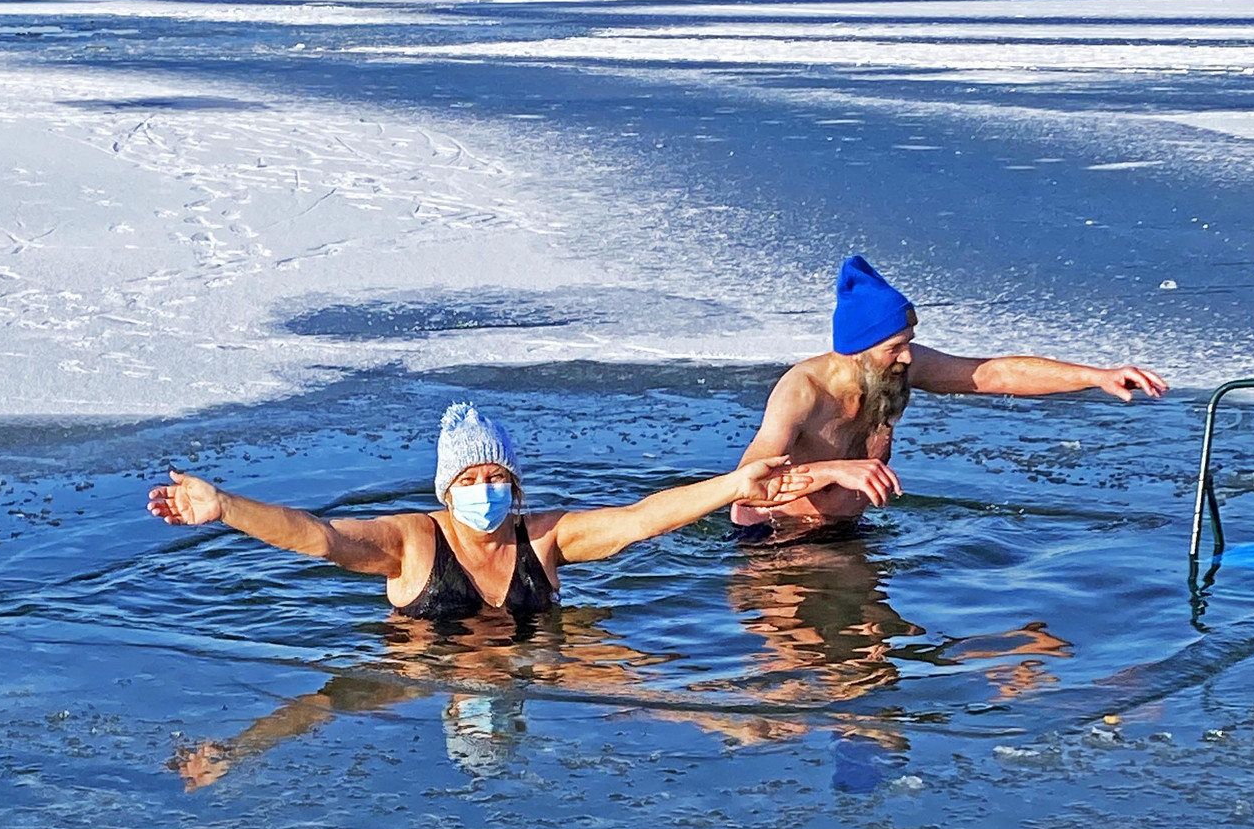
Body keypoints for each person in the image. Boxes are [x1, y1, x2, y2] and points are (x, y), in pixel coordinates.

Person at [148, 401, 813, 619]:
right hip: (424, 668)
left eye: (498, 475)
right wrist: (225, 507)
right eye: (472, 476)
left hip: (533, 664)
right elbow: (321, 537)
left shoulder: (545, 538)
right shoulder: (410, 543)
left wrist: (734, 485)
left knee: (620, 678)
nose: (487, 487)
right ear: (447, 487)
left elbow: (641, 518)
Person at [733, 255, 1168, 529]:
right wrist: (833, 471)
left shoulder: (894, 370)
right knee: (803, 663)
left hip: (843, 534)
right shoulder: (803, 391)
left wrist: (1095, 376)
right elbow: (747, 480)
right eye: (894, 348)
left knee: (880, 657)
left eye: (908, 342)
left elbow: (994, 374)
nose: (907, 358)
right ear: (856, 351)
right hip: (773, 539)